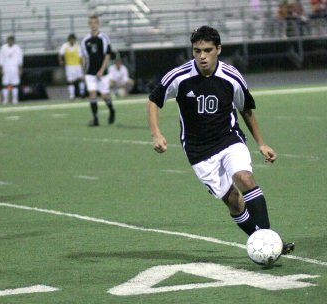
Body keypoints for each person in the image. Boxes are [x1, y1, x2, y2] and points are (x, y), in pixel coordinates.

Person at [147, 25, 295, 255]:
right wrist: (156, 133)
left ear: (219, 49)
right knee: (234, 202)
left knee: (244, 177)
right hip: (199, 151)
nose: (202, 56)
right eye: (197, 51)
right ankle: (260, 237)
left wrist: (261, 143)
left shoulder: (231, 76)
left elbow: (246, 110)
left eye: (207, 50)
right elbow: (154, 100)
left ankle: (269, 239)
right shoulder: (180, 76)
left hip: (229, 140)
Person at [80, 14, 115, 126]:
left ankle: (111, 110)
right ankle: (95, 119)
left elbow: (107, 56)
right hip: (90, 72)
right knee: (92, 94)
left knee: (105, 95)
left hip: (102, 73)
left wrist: (101, 70)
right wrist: (83, 72)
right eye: (91, 23)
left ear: (98, 23)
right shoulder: (85, 40)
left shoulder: (104, 38)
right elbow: (84, 58)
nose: (93, 25)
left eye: (95, 22)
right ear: (88, 24)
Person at [58, 33, 85, 100]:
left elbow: (81, 57)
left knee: (81, 79)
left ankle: (82, 93)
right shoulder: (65, 46)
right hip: (69, 66)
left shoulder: (77, 46)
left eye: (73, 40)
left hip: (77, 65)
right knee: (70, 81)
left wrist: (82, 66)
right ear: (69, 40)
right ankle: (72, 96)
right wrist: (61, 61)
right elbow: (60, 54)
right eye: (71, 40)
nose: (72, 41)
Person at [0, 35, 23, 104]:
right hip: (6, 68)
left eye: (12, 40)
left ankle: (15, 99)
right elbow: (1, 59)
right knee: (6, 84)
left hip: (14, 68)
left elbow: (20, 59)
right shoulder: (3, 48)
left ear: (14, 41)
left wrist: (20, 69)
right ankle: (5, 99)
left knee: (14, 84)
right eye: (9, 40)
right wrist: (1, 68)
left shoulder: (17, 48)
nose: (10, 41)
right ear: (7, 40)